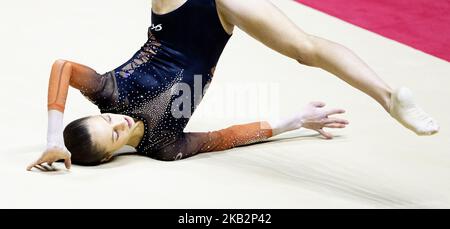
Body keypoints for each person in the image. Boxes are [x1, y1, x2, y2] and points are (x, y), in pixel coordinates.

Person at [27, 0, 438, 171]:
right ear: (112, 155)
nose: (118, 121)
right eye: (113, 134)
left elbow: (63, 66)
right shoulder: (164, 147)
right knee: (303, 48)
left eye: (107, 119)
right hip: (218, 21)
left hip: (174, 14)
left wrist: (53, 136)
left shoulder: (107, 92)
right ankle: (390, 98)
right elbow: (227, 137)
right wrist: (293, 121)